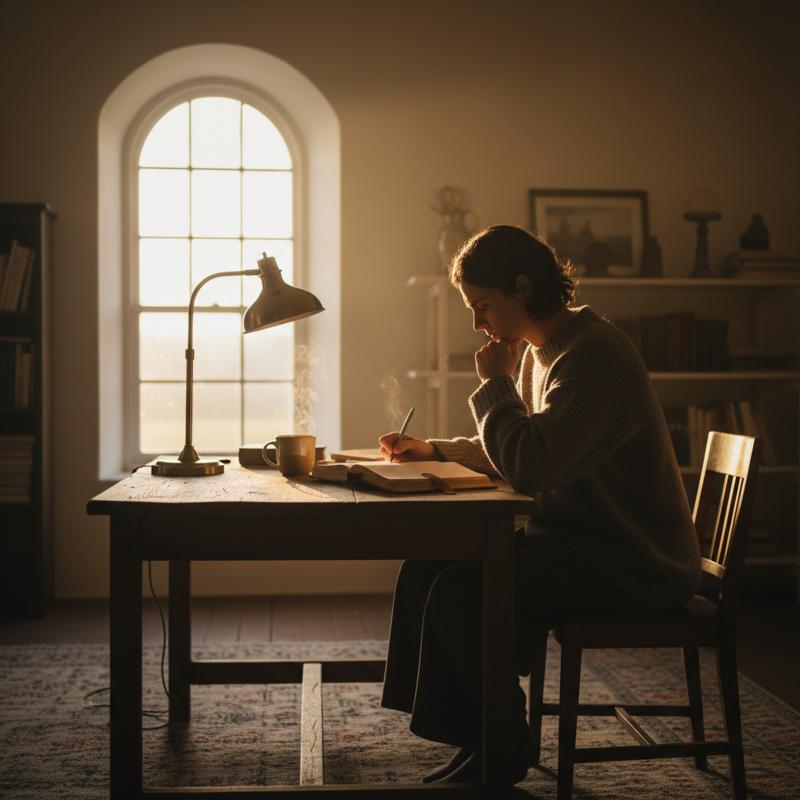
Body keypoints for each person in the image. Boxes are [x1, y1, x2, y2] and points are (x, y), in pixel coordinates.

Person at [377, 225, 701, 784]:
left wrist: (495, 386)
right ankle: (481, 734)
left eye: (482, 306)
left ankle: (500, 748)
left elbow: (533, 463)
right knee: (426, 568)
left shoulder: (594, 355)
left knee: (461, 594)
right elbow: (514, 446)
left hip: (629, 561)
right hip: (580, 542)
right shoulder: (539, 352)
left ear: (522, 287)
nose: (477, 324)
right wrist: (435, 449)